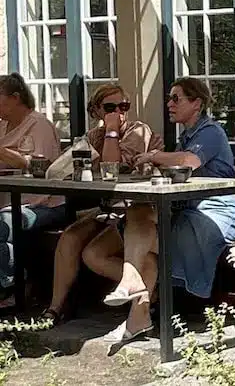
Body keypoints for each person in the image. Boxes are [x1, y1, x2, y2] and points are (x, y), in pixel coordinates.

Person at [82, 77, 235, 343]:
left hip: (211, 216)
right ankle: (137, 310)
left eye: (176, 99)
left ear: (196, 103)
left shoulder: (210, 131)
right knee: (138, 216)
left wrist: (152, 156)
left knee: (144, 236)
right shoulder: (187, 135)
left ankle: (137, 307)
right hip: (185, 210)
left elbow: (190, 161)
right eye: (169, 98)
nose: (169, 104)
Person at [41, 83, 164, 324]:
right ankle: (55, 308)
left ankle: (149, 292)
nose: (118, 112)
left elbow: (112, 168)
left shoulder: (138, 131)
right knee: (70, 236)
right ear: (97, 110)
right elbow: (55, 172)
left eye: (123, 106)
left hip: (135, 211)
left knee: (92, 254)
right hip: (107, 208)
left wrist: (111, 132)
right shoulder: (92, 136)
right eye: (110, 107)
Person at [0, 72, 64, 304]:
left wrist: (6, 154)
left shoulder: (39, 125)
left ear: (15, 98)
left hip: (43, 201)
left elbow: (43, 167)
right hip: (8, 199)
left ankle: (16, 287)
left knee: (3, 225)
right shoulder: (3, 125)